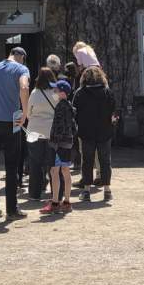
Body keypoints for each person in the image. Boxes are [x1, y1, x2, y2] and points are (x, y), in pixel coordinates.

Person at [0, 46, 30, 221]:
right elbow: (24, 87)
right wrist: (25, 112)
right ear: (22, 57)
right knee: (12, 167)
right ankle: (11, 209)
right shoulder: (21, 69)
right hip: (12, 122)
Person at [73, 65, 117, 202]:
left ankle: (86, 190)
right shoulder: (107, 92)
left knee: (87, 161)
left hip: (86, 132)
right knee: (105, 161)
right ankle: (107, 190)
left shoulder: (80, 93)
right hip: (105, 131)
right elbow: (114, 113)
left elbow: (74, 113)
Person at [40, 78, 76, 215]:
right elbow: (73, 127)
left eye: (56, 90)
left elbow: (58, 127)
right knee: (66, 171)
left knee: (54, 172)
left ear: (62, 93)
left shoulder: (60, 107)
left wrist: (53, 140)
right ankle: (66, 202)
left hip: (58, 144)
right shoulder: (69, 107)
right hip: (67, 143)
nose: (54, 92)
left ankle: (55, 203)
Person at [23, 66, 58, 201]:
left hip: (35, 130)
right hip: (51, 130)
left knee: (35, 163)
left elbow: (28, 113)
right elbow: (58, 109)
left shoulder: (35, 93)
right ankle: (55, 192)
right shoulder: (55, 92)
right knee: (52, 163)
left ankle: (34, 193)